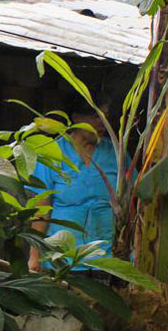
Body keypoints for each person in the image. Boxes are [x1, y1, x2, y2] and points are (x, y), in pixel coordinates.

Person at [28, 109, 119, 273]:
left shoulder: (115, 153)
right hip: (61, 258)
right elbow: (41, 212)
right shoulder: (52, 152)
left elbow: (134, 201)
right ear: (76, 117)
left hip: (109, 258)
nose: (102, 122)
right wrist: (35, 256)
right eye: (95, 116)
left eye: (106, 116)